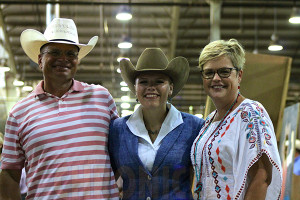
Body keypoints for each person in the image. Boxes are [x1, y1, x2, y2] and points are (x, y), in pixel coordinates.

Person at [0, 18, 119, 199]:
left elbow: (121, 153)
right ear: (40, 60)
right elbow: (9, 174)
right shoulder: (19, 112)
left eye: (71, 54)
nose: (64, 59)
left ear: (77, 61)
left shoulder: (102, 98)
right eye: (54, 52)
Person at [191, 39, 282, 200]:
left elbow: (262, 177)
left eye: (224, 71)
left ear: (239, 75)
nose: (216, 78)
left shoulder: (250, 113)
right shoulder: (209, 121)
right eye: (209, 72)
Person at [108, 48, 205, 199]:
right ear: (135, 88)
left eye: (159, 81)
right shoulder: (117, 129)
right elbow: (107, 179)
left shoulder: (195, 127)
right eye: (144, 82)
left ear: (171, 88)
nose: (150, 87)